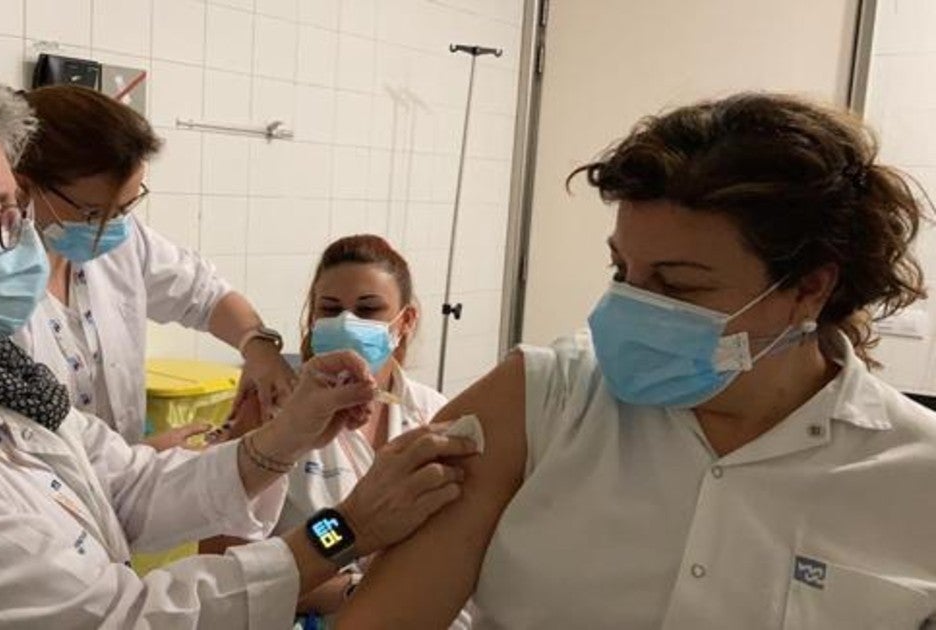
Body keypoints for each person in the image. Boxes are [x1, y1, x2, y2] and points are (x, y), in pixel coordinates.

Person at [0, 65, 478, 628]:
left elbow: (130, 488)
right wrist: (344, 529)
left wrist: (284, 438)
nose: (23, 241)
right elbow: (132, 617)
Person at [339, 93, 936, 629]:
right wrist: (331, 531)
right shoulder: (538, 402)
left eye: (677, 286)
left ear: (809, 288)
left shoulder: (917, 477)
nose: (631, 309)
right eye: (623, 272)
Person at [10, 84, 296, 449]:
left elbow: (206, 295)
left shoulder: (124, 244)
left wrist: (258, 346)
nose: (113, 226)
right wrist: (144, 461)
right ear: (23, 189)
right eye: (95, 212)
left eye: (126, 208)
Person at [204, 235, 471, 625]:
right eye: (329, 309)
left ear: (405, 321)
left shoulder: (434, 414)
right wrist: (345, 590)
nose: (347, 323)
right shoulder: (273, 412)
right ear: (313, 320)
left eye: (368, 310)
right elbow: (219, 571)